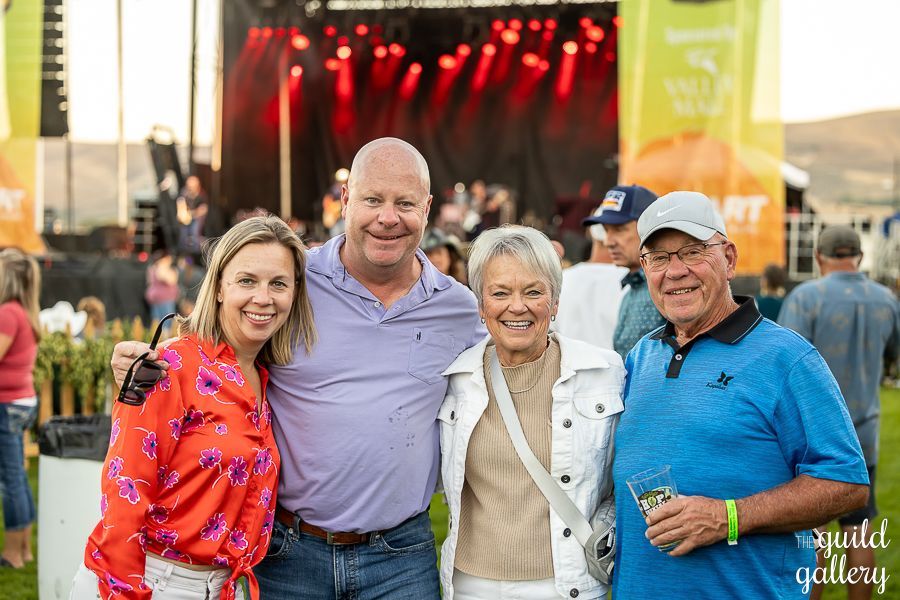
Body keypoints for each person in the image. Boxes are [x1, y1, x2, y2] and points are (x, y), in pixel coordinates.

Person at [111, 138, 486, 599]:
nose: (388, 217)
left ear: (427, 208)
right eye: (372, 200)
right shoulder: (296, 281)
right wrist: (151, 359)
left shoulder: (458, 309)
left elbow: (513, 370)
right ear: (346, 201)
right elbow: (218, 341)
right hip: (290, 554)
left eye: (405, 203)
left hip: (400, 557)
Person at [611, 191, 870, 598]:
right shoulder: (640, 356)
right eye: (658, 258)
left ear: (729, 259)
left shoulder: (788, 359)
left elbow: (846, 483)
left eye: (692, 252)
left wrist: (727, 517)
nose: (674, 271)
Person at [73, 215, 317, 599]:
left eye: (278, 283)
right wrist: (124, 590)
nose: (263, 298)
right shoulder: (171, 365)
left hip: (218, 585)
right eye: (247, 281)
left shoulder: (268, 379)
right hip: (148, 581)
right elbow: (125, 490)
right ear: (219, 287)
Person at [438, 226, 623, 600]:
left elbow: (629, 472)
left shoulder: (604, 373)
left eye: (534, 292)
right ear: (481, 304)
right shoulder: (456, 378)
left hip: (564, 584)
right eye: (500, 293)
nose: (517, 306)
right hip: (472, 585)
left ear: (554, 302)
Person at [779, 225, 900, 600]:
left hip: (811, 433)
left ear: (818, 257)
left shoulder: (805, 297)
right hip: (865, 432)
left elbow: (778, 363)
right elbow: (893, 356)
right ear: (858, 257)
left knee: (812, 533)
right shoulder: (886, 299)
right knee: (859, 530)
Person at [582, 184, 665, 358]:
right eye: (606, 231)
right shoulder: (633, 287)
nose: (608, 241)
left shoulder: (668, 283)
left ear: (650, 228)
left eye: (619, 229)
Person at [0, 248, 41, 569]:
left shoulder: (7, 313)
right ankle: (24, 549)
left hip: (7, 405)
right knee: (18, 477)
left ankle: (12, 554)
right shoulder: (26, 310)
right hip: (23, 400)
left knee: (10, 479)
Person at [554, 207, 629, 349]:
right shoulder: (633, 281)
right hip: (618, 369)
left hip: (569, 368)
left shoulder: (562, 278)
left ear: (590, 232)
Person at [145, 250, 179, 328]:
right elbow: (168, 279)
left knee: (159, 322)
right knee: (163, 322)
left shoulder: (154, 268)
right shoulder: (159, 268)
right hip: (164, 299)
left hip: (160, 299)